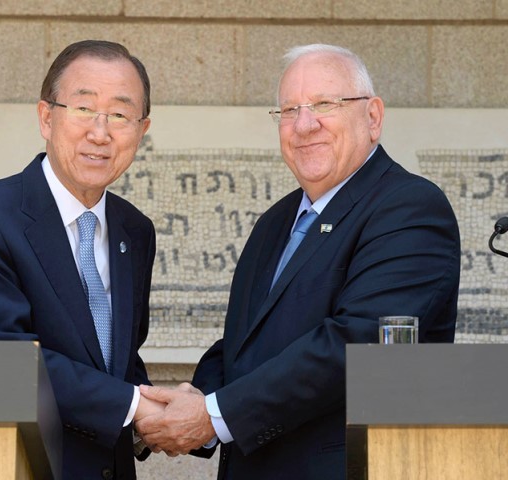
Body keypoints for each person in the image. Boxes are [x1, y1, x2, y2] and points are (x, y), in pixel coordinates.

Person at [135, 43, 461, 479]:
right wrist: (185, 408)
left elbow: (358, 341)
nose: (304, 125)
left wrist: (211, 415)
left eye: (325, 104)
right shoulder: (276, 221)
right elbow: (242, 343)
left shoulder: (409, 207)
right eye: (289, 110)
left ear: (373, 117)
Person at [0, 40, 165, 480]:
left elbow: (118, 360)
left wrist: (157, 417)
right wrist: (136, 407)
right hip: (17, 466)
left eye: (120, 115)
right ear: (46, 117)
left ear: (141, 130)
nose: (100, 132)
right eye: (83, 109)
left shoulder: (135, 231)